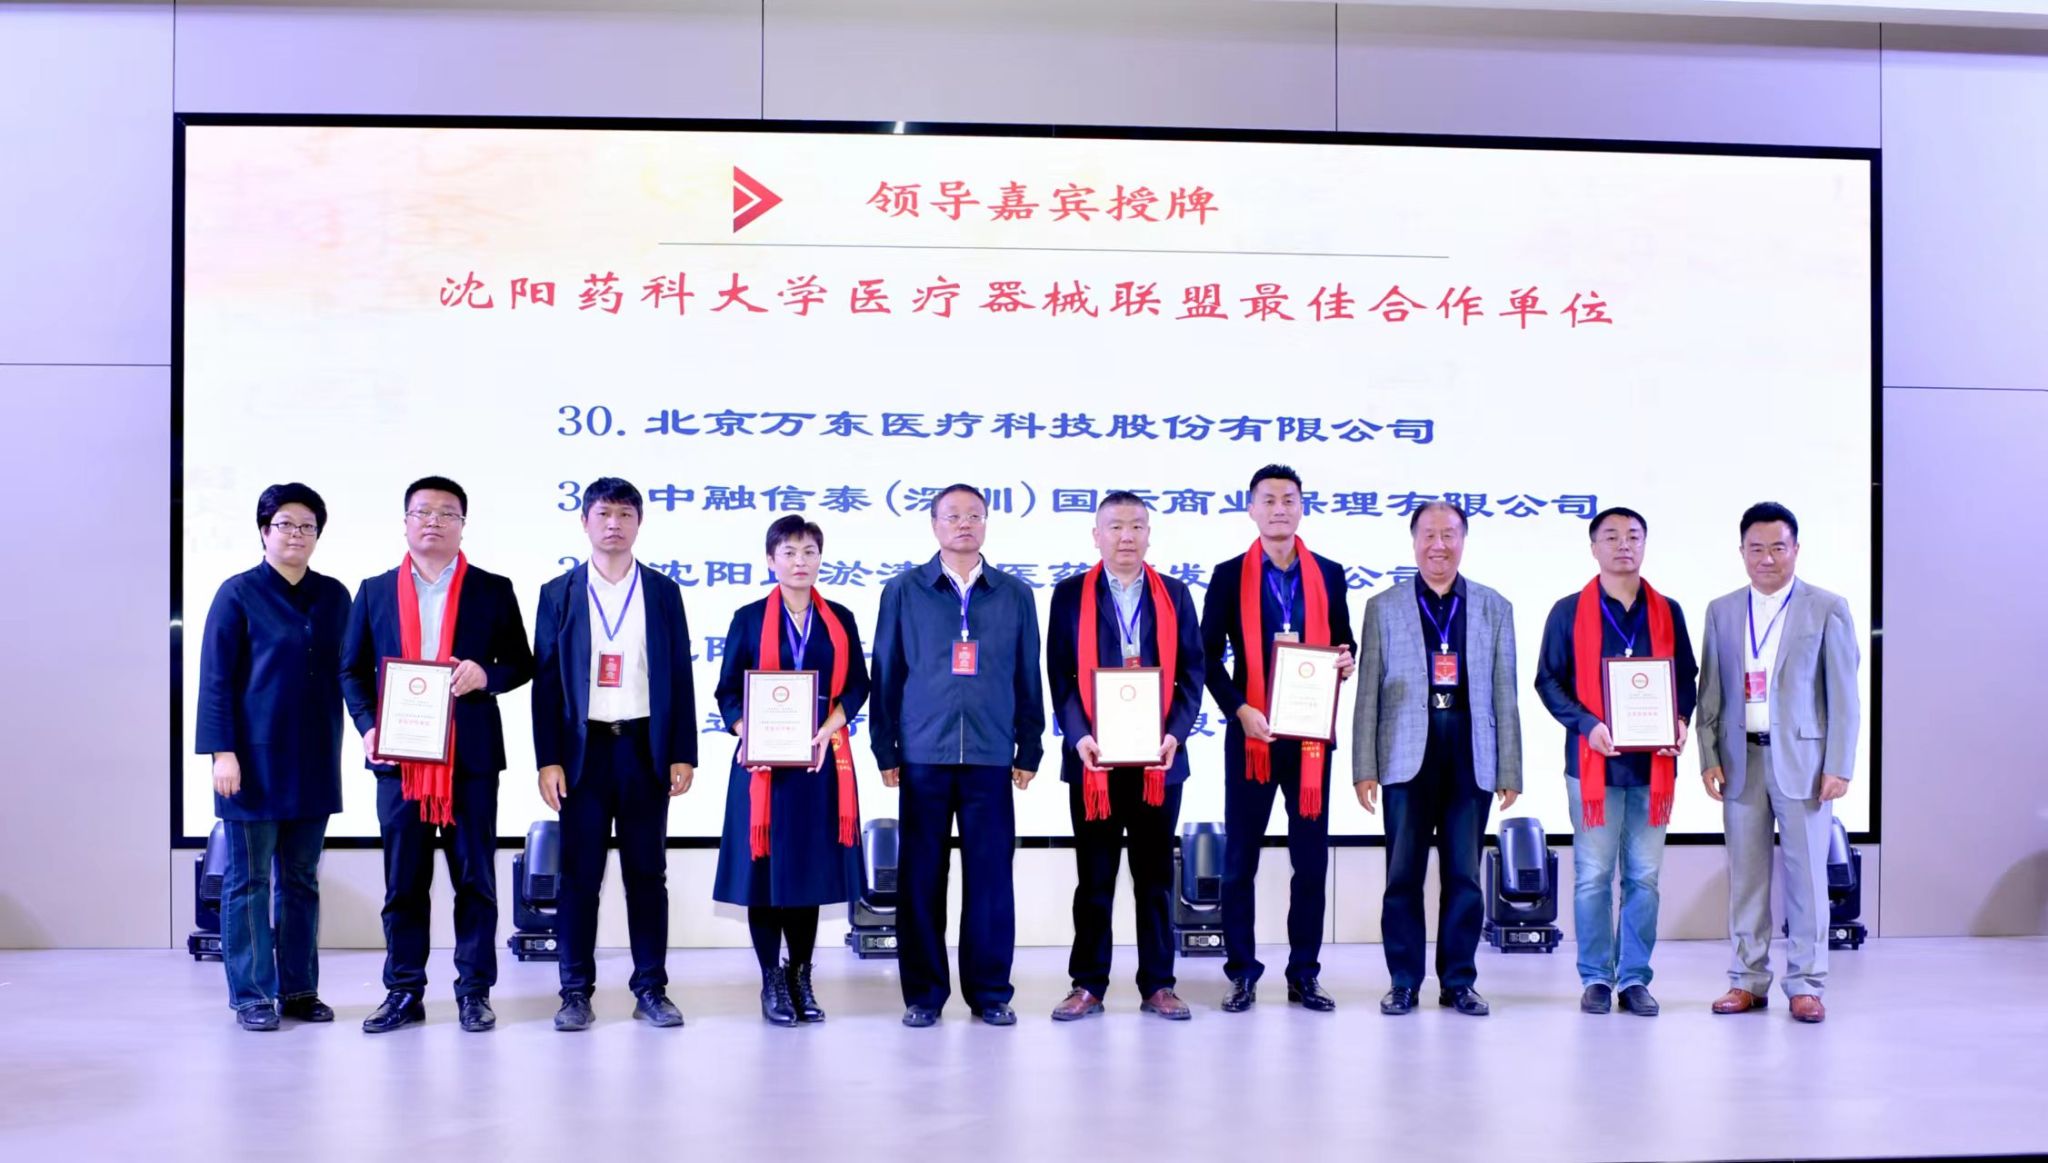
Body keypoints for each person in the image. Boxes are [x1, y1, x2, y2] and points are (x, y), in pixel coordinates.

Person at [340, 476, 534, 1034]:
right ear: (405, 522)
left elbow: (521, 663)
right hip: (399, 762)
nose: (434, 521)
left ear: (462, 526)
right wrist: (368, 726)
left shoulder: (492, 589)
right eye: (422, 511)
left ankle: (474, 992)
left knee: (475, 881)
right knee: (404, 883)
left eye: (447, 513)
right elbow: (351, 669)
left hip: (469, 761)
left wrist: (485, 675)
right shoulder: (374, 590)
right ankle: (404, 991)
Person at [870, 484, 1045, 1027]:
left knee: (991, 879)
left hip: (991, 753)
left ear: (987, 523)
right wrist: (884, 746)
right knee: (921, 878)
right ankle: (924, 995)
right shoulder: (904, 591)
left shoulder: (1014, 594)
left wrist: (1030, 744)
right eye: (953, 516)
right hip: (924, 752)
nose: (964, 524)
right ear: (934, 525)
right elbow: (886, 672)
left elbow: (1028, 674)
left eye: (974, 515)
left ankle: (990, 992)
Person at [531, 477, 697, 1031]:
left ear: (639, 524)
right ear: (584, 522)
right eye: (603, 513)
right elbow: (546, 684)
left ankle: (651, 988)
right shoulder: (559, 592)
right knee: (579, 877)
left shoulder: (663, 592)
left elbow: (679, 674)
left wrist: (682, 751)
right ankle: (574, 992)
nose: (614, 524)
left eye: (625, 514)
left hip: (644, 748)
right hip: (583, 753)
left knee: (647, 874)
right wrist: (548, 759)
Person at [1352, 500, 1522, 1018]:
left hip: (1471, 753)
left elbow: (1505, 692)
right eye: (1428, 534)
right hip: (1405, 755)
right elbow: (1367, 692)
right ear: (1414, 542)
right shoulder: (1384, 607)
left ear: (1463, 541)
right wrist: (1364, 766)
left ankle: (1458, 981)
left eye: (1449, 534)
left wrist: (1510, 768)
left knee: (1465, 876)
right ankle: (1403, 981)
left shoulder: (1494, 606)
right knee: (1402, 875)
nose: (1439, 545)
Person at [194, 483, 351, 1031]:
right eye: (285, 524)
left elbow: (352, 671)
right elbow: (216, 681)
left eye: (307, 526)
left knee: (301, 880)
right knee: (249, 882)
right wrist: (222, 753)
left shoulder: (334, 596)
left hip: (314, 761)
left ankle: (300, 990)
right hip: (250, 765)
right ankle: (252, 995)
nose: (296, 535)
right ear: (264, 531)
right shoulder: (237, 594)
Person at [1044, 492, 1206, 1022]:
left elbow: (1193, 673)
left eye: (1137, 525)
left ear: (1149, 535)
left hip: (1159, 761)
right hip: (1094, 760)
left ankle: (1158, 984)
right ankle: (1088, 984)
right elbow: (1060, 674)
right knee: (1095, 880)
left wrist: (1175, 733)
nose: (1127, 536)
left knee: (1155, 879)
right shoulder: (1071, 595)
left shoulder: (1175, 594)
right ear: (1096, 535)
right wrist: (1078, 735)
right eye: (1115, 526)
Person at [1697, 502, 1860, 1024]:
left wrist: (1839, 763)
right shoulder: (1722, 610)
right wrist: (1708, 755)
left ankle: (1806, 983)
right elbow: (1710, 691)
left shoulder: (1827, 607)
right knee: (1746, 877)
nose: (1766, 558)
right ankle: (1746, 980)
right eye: (1756, 548)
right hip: (1740, 760)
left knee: (1808, 879)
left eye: (1777, 547)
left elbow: (1845, 696)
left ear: (1796, 549)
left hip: (1805, 764)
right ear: (1741, 551)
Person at [1201, 464, 1356, 1013]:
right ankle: (1242, 972)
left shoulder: (1329, 574)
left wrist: (1346, 659)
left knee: (1310, 863)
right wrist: (1239, 709)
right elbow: (1205, 658)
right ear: (1251, 508)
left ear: (1301, 507)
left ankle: (1304, 974)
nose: (1279, 509)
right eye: (1268, 500)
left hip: (1310, 741)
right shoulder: (1228, 576)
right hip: (1253, 738)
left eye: (1289, 499)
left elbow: (1344, 640)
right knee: (1239, 861)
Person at [1533, 506, 1697, 1017]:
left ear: (1645, 544)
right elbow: (1547, 681)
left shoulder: (1668, 611)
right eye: (1611, 536)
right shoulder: (1568, 611)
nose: (1623, 544)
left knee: (1644, 878)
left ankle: (1634, 978)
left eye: (1633, 536)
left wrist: (1680, 720)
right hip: (1593, 766)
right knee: (1593, 877)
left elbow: (1686, 677)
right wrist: (1587, 725)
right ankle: (1596, 978)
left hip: (1653, 769)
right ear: (1594, 547)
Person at [712, 516, 869, 1026]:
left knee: (806, 873)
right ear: (770, 560)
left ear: (821, 558)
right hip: (762, 768)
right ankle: (771, 980)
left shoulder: (839, 618)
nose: (800, 562)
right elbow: (727, 691)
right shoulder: (749, 618)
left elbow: (858, 686)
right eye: (789, 552)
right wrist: (746, 732)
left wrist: (826, 730)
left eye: (809, 552)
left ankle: (800, 974)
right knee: (763, 875)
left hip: (819, 763)